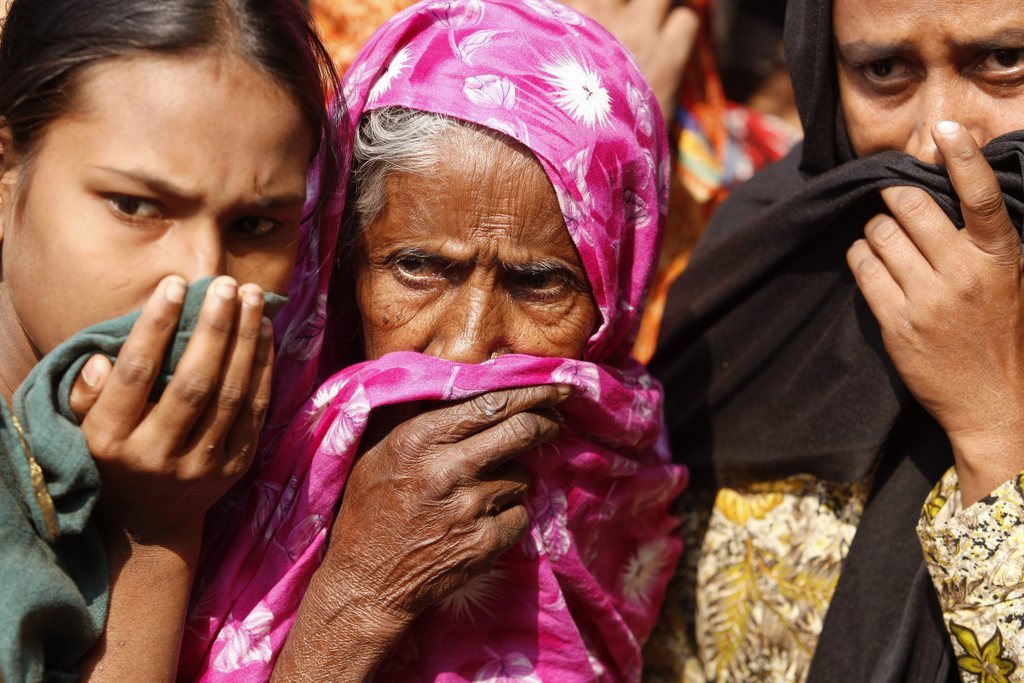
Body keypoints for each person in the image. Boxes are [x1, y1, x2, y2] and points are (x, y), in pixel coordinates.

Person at [0, 1, 561, 681]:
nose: (203, 279)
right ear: (7, 173)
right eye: (136, 206)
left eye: (256, 227)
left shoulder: (257, 451)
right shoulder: (156, 493)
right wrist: (155, 537)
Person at [178, 1, 685, 680]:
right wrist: (359, 596)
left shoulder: (625, 493)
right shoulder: (202, 456)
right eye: (418, 267)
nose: (466, 349)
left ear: (613, 300)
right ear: (343, 262)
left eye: (539, 282)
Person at [648, 0, 1024, 680]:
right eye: (884, 69)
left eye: (1004, 61)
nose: (938, 137)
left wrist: (992, 423)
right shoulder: (760, 273)